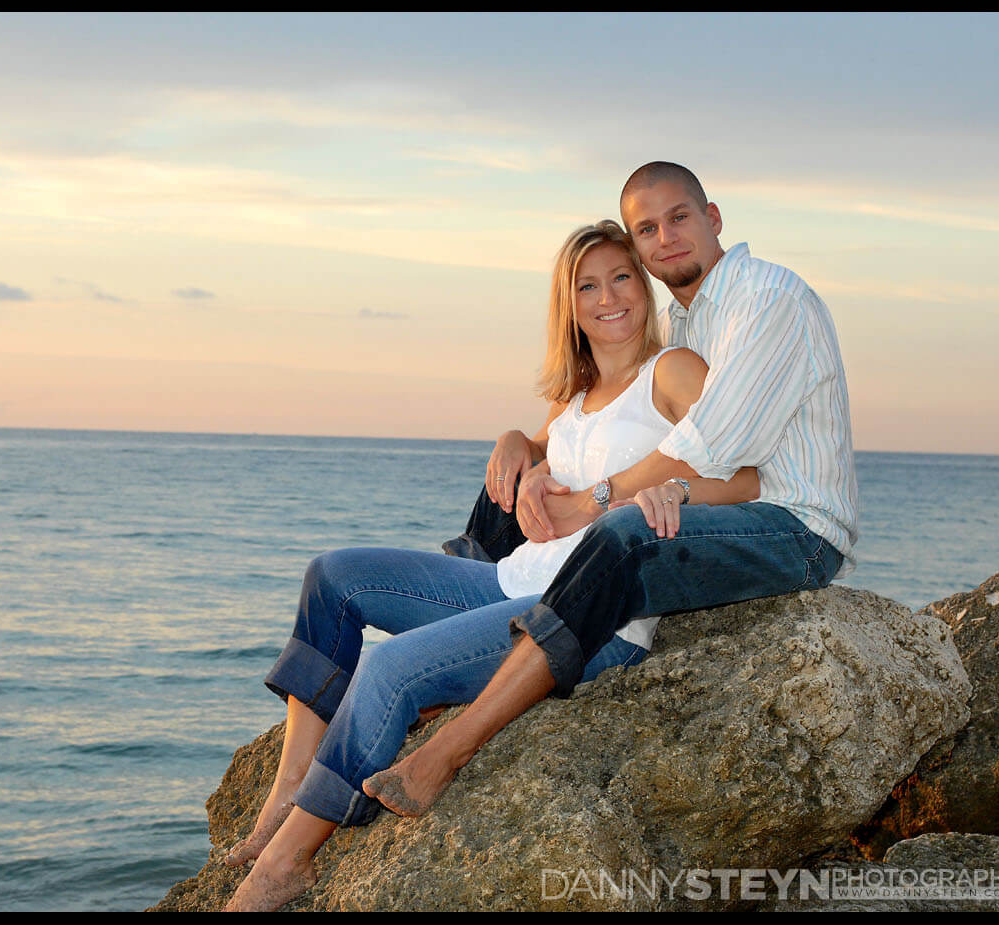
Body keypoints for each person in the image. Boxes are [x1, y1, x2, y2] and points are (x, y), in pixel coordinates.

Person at [224, 218, 762, 911]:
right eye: (587, 285)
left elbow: (749, 475)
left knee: (390, 668)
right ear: (568, 306)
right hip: (508, 582)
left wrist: (638, 496)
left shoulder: (674, 370)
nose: (608, 297)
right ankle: (293, 777)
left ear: (643, 285)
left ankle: (285, 861)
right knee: (334, 576)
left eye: (621, 277)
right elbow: (543, 445)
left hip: (589, 619)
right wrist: (516, 440)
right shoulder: (576, 391)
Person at [359, 161, 857, 827]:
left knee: (619, 536)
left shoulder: (765, 300)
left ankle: (449, 747)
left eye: (678, 217)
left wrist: (593, 498)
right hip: (731, 510)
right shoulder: (688, 322)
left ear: (712, 219)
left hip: (792, 528)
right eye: (646, 228)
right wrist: (524, 450)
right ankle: (464, 641)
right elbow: (621, 436)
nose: (665, 237)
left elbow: (711, 445)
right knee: (512, 495)